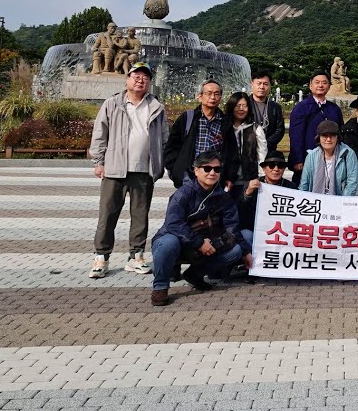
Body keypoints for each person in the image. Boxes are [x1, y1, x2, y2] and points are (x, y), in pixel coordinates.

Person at [87, 62, 168, 279]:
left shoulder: (156, 107)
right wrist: (99, 161)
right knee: (107, 215)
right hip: (114, 169)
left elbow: (164, 138)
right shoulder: (112, 104)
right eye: (136, 76)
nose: (141, 80)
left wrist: (159, 164)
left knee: (140, 216)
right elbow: (99, 133)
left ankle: (136, 256)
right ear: (127, 79)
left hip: (143, 171)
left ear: (150, 82)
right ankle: (101, 258)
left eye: (145, 77)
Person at [149, 150, 249, 306]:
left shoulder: (224, 197)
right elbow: (173, 224)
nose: (212, 173)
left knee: (235, 251)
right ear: (196, 170)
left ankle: (194, 275)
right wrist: (199, 242)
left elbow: (233, 227)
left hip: (209, 245)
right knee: (167, 243)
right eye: (207, 168)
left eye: (217, 169)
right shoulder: (183, 193)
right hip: (180, 242)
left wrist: (246, 251)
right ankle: (160, 287)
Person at [163, 80, 229, 189]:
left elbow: (230, 151)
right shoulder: (188, 118)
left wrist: (228, 176)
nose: (212, 97)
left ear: (220, 97)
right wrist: (176, 170)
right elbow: (172, 145)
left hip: (214, 175)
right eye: (208, 93)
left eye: (217, 94)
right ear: (200, 96)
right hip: (188, 176)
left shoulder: (225, 122)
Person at [287, 70, 344, 188]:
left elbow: (340, 134)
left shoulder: (334, 109)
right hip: (308, 159)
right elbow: (296, 135)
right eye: (317, 82)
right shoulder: (301, 108)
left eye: (324, 83)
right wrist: (298, 159)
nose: (320, 85)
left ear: (329, 86)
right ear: (310, 85)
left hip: (331, 159)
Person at [224, 92, 266, 233]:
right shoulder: (225, 127)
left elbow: (262, 154)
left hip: (249, 179)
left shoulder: (255, 129)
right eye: (238, 105)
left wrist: (260, 176)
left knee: (246, 216)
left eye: (245, 105)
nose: (241, 109)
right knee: (228, 215)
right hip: (228, 180)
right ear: (232, 106)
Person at [299, 119, 358, 196]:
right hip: (316, 202)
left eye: (332, 135)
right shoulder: (311, 156)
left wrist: (341, 202)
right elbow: (304, 184)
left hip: (340, 201)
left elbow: (352, 183)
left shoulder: (349, 154)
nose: (328, 139)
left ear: (337, 137)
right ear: (319, 137)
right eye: (324, 135)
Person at [245, 70, 286, 157]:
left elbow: (280, 130)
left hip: (269, 151)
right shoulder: (244, 104)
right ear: (252, 84)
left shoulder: (275, 107)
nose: (262, 87)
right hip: (247, 151)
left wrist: (264, 144)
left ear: (270, 86)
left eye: (265, 84)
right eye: (259, 83)